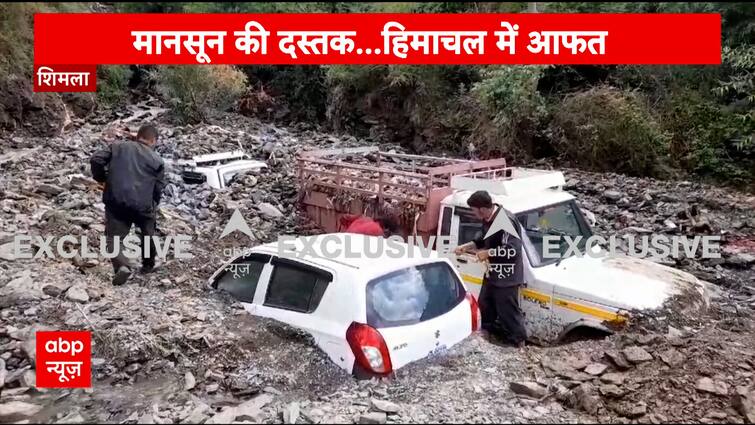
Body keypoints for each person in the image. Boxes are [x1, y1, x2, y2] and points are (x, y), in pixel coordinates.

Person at [90, 124, 166, 286]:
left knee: (113, 238)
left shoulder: (118, 147)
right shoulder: (157, 160)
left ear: (138, 136)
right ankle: (147, 266)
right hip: (143, 204)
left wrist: (101, 178)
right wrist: (153, 204)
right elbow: (159, 187)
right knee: (148, 233)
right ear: (153, 140)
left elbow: (96, 159)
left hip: (116, 200)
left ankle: (122, 266)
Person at [454, 190, 527, 347]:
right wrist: (468, 246)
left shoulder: (505, 220)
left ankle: (518, 343)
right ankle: (486, 338)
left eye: (473, 211)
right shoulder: (488, 219)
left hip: (507, 276)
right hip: (492, 274)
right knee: (484, 306)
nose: (473, 215)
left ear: (481, 209)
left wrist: (488, 253)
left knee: (508, 312)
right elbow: (484, 239)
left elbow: (513, 249)